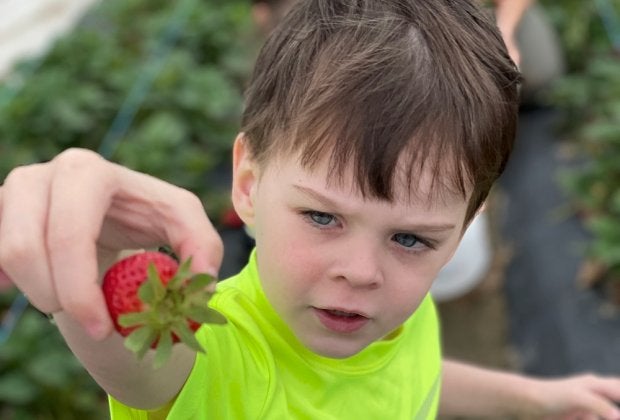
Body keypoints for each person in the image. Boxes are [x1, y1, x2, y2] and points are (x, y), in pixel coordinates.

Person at [0, 0, 619, 418]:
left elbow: (410, 374)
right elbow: (144, 366)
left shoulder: (381, 311)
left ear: (466, 224)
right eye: (322, 217)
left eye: (412, 238)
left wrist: (534, 398)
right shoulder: (222, 365)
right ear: (247, 179)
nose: (361, 270)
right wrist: (102, 260)